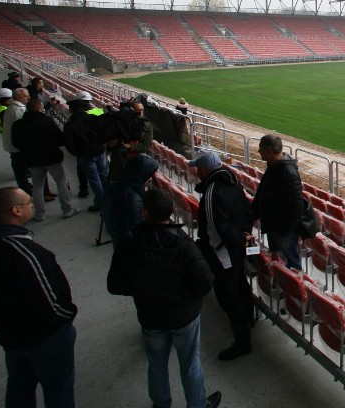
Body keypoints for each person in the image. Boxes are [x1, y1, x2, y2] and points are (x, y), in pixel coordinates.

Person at [0, 187, 77, 408]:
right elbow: (51, 301)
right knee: (58, 388)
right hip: (45, 337)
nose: (32, 204)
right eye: (28, 202)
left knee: (20, 385)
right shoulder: (24, 253)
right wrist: (68, 317)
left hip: (8, 334)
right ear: (16, 211)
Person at [107, 188, 222, 408]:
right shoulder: (185, 244)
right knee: (190, 364)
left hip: (150, 316)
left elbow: (115, 285)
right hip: (184, 316)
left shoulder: (128, 244)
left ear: (145, 213)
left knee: (156, 364)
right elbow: (206, 282)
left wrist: (141, 290)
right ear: (171, 212)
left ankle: (161, 404)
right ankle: (197, 404)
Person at [189, 152, 256, 361]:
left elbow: (217, 227)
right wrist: (244, 234)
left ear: (204, 170)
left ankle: (242, 342)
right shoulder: (234, 182)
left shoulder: (211, 191)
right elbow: (247, 211)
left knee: (228, 294)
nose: (196, 172)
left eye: (198, 169)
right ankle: (249, 319)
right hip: (236, 245)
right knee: (240, 283)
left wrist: (237, 238)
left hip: (223, 250)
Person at [11, 99, 80, 222]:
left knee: (37, 186)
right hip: (51, 157)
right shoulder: (46, 122)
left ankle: (40, 214)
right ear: (38, 108)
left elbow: (15, 143)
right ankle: (67, 210)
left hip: (32, 160)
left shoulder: (18, 125)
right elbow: (60, 139)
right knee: (61, 182)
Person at [252, 134, 304, 270]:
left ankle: (294, 290)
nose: (258, 152)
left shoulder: (287, 171)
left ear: (269, 151)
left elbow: (296, 206)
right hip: (276, 227)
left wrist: (285, 230)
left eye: (260, 149)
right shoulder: (274, 166)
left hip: (283, 230)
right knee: (280, 262)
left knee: (291, 265)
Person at [102, 152, 159, 246]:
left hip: (117, 237)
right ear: (141, 174)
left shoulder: (116, 186)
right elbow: (137, 233)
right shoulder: (132, 199)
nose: (150, 179)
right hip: (127, 246)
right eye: (149, 176)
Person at [63, 92, 107, 213]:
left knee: (94, 179)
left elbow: (69, 144)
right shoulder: (95, 117)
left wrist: (77, 153)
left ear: (71, 110)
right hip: (99, 151)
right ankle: (108, 199)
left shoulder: (70, 125)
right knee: (103, 176)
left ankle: (100, 202)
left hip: (85, 156)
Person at [1, 87, 32, 195]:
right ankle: (24, 188)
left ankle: (25, 185)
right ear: (19, 97)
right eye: (26, 96)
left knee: (19, 166)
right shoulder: (18, 110)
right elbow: (23, 128)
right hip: (18, 145)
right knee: (20, 167)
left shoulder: (12, 107)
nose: (29, 97)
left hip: (13, 144)